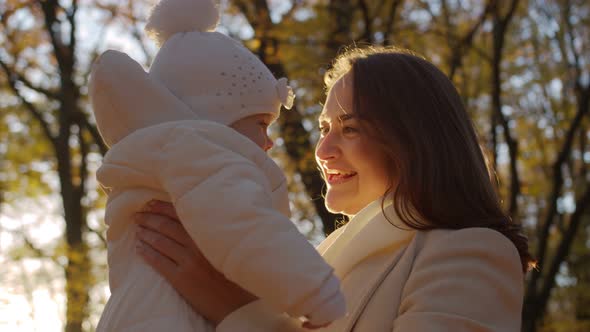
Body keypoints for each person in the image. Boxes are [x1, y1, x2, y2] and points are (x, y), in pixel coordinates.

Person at [134, 45, 535, 331]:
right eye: (325, 129)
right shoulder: (315, 261)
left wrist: (235, 310)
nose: (323, 150)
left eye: (350, 129)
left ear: (414, 138)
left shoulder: (472, 252)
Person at [89, 0, 346, 330]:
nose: (270, 142)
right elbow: (246, 227)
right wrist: (315, 291)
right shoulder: (204, 154)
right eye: (261, 124)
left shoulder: (157, 160)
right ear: (218, 118)